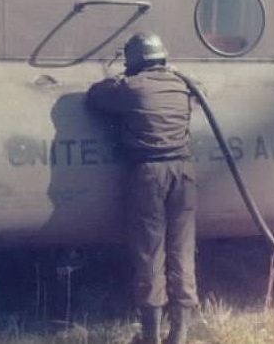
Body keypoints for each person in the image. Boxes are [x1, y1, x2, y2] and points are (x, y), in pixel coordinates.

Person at [86, 32, 197, 344]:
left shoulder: (131, 87)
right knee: (183, 251)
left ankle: (150, 336)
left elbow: (95, 96)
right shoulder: (181, 84)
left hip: (149, 174)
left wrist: (118, 78)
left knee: (150, 254)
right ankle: (180, 334)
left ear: (134, 60)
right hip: (184, 173)